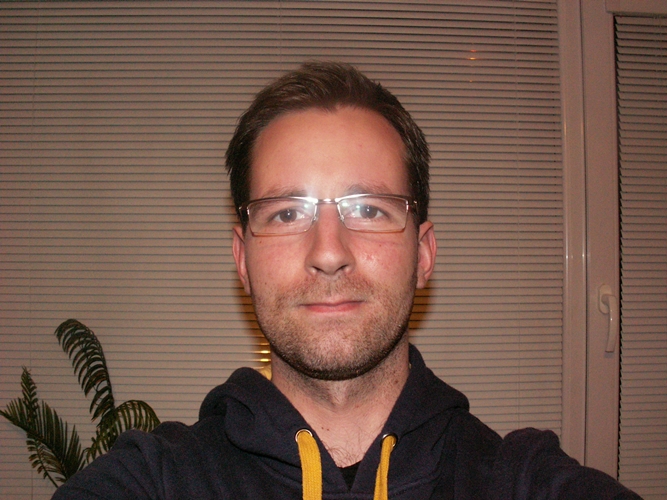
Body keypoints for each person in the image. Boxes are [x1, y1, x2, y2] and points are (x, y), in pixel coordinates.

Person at [53, 61, 641, 499]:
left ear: (424, 254)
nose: (329, 252)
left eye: (369, 209)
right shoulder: (156, 478)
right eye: (287, 213)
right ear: (242, 260)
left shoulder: (520, 479)